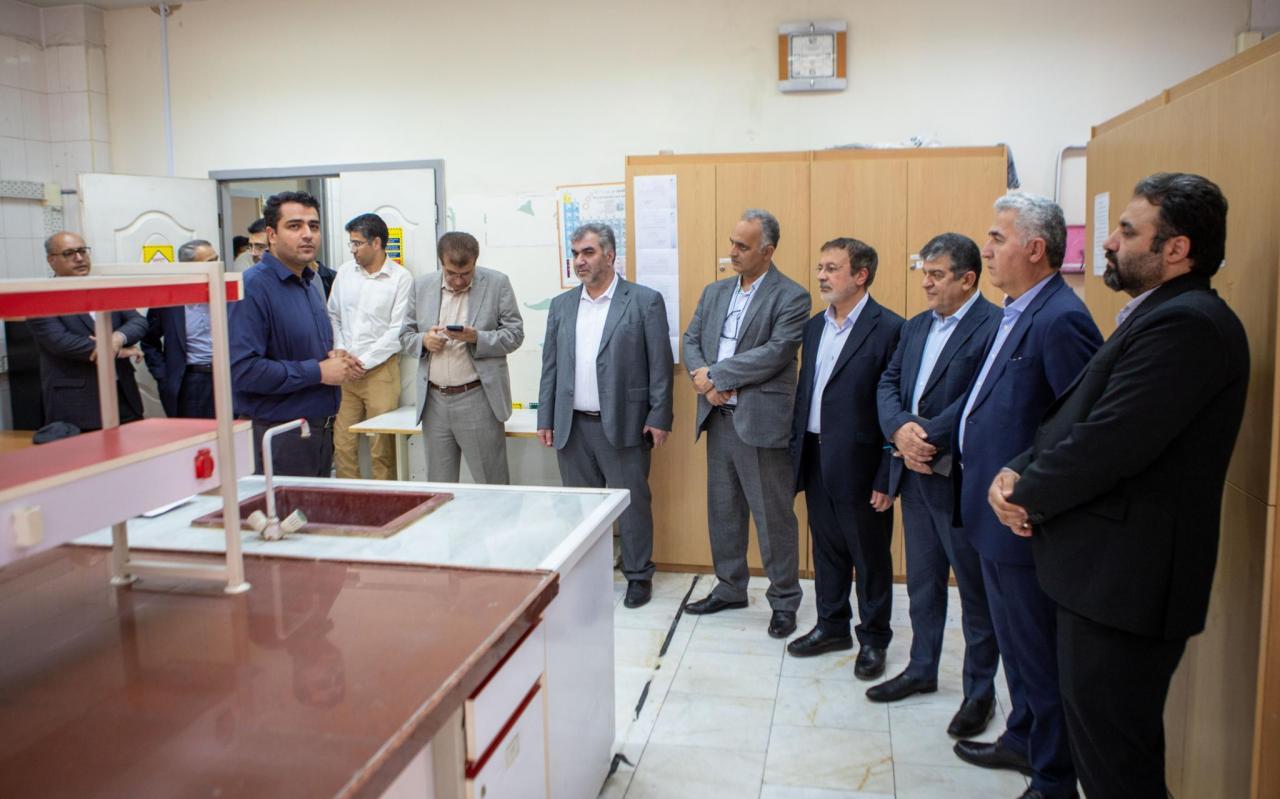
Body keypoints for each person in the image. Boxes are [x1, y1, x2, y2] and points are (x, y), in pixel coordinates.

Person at [990, 174, 1247, 799]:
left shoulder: (1189, 325)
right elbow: (1076, 417)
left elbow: (1110, 442)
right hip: (1103, 580)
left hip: (1127, 585)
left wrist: (1025, 493)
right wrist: (1019, 467)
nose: (1107, 242)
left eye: (1128, 232)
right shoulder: (1157, 314)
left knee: (1117, 769)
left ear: (1176, 249)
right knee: (1102, 751)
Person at [949, 194, 1101, 799]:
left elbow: (1077, 429)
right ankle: (1021, 738)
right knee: (1016, 649)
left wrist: (1032, 495)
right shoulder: (1016, 311)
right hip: (990, 519)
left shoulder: (1061, 319)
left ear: (1035, 249)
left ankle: (1054, 777)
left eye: (997, 237)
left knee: (1039, 658)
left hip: (1023, 523)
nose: (985, 249)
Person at [870, 233, 1002, 738]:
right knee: (922, 584)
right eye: (924, 273)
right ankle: (922, 668)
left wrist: (925, 438)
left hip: (958, 478)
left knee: (974, 592)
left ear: (968, 279)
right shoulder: (917, 325)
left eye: (938, 275)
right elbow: (888, 382)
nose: (926, 283)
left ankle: (979, 692)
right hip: (914, 474)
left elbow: (979, 397)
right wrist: (899, 430)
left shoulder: (994, 325)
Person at [680, 208, 811, 638]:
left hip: (760, 422)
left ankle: (784, 600)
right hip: (717, 417)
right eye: (732, 243)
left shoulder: (791, 297)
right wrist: (705, 383)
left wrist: (716, 376)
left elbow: (776, 352)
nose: (732, 252)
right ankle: (730, 587)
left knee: (773, 518)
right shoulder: (715, 292)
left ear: (767, 251)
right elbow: (691, 340)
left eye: (743, 246)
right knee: (723, 511)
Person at [537, 223, 673, 608]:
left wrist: (660, 416)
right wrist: (545, 417)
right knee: (580, 509)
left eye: (588, 252)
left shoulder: (644, 301)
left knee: (632, 504)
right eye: (575, 254)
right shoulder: (562, 306)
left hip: (625, 423)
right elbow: (550, 367)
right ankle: (588, 577)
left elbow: (660, 365)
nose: (579, 261)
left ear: (610, 255)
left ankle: (638, 575)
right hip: (572, 426)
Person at [787, 237, 903, 677]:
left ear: (861, 275)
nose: (821, 276)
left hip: (863, 464)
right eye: (820, 267)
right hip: (816, 456)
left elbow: (894, 406)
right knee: (827, 549)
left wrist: (887, 474)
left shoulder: (890, 328)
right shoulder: (814, 327)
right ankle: (832, 626)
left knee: (870, 557)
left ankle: (873, 639)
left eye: (832, 268)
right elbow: (808, 394)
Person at [229, 191, 355, 476]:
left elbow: (297, 349)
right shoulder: (252, 287)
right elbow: (244, 371)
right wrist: (319, 371)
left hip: (317, 433)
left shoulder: (309, 283)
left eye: (314, 226)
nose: (308, 234)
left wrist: (334, 358)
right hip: (279, 436)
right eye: (295, 226)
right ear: (272, 235)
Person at [400, 231, 523, 484]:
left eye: (466, 274)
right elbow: (405, 336)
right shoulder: (421, 286)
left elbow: (515, 335)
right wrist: (424, 341)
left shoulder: (497, 284)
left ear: (475, 262)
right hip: (434, 402)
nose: (458, 281)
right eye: (451, 273)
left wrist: (477, 337)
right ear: (441, 263)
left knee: (492, 484)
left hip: (478, 399)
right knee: (439, 485)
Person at [28, 232, 147, 431]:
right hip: (78, 404)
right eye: (69, 253)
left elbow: (138, 321)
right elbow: (61, 342)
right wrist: (118, 351)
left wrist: (117, 338)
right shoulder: (40, 298)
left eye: (82, 251)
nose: (79, 258)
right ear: (51, 260)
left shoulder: (105, 290)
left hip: (123, 396)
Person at [327, 213, 413, 480]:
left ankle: (386, 501)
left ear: (376, 243)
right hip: (345, 371)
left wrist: (362, 362)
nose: (352, 249)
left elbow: (397, 331)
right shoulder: (345, 272)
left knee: (382, 448)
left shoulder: (400, 278)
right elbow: (333, 315)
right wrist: (341, 350)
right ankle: (349, 499)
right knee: (343, 444)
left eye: (357, 243)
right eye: (351, 243)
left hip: (380, 373)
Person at [142, 239, 221, 419]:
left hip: (226, 376)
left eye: (217, 259)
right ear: (189, 267)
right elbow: (149, 340)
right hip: (191, 382)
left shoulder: (227, 292)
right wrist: (163, 376)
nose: (217, 266)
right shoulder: (168, 299)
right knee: (195, 433)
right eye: (210, 262)